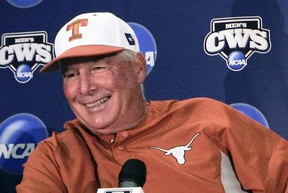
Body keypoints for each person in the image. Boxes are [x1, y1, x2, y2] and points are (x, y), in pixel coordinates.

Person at [16, 12, 287, 193]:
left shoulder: (207, 119)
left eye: (98, 68)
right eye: (71, 74)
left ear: (137, 69)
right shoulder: (54, 157)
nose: (85, 88)